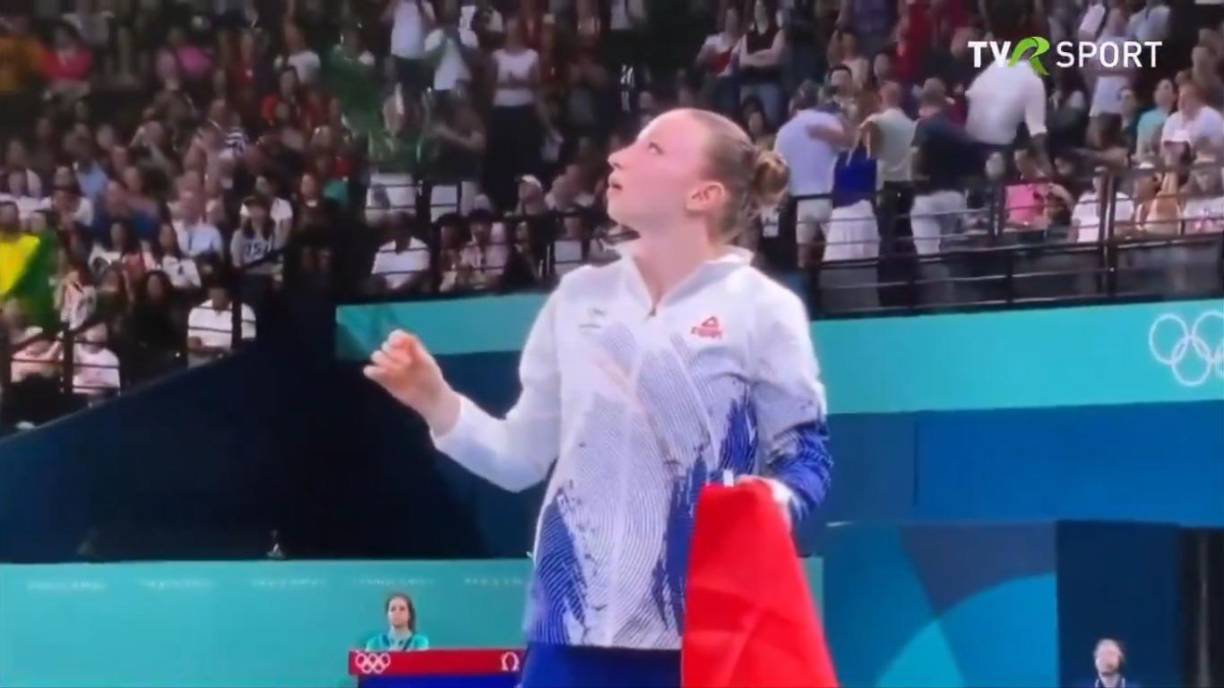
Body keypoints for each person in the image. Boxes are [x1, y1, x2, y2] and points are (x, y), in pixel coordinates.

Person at [364, 108, 832, 686]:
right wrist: (436, 402)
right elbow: (518, 459)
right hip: (569, 632)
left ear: (702, 195)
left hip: (701, 638)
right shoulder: (579, 298)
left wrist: (764, 505)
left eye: (653, 149)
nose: (618, 157)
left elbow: (806, 459)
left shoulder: (764, 310)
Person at [365, 593, 430, 651]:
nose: (397, 612)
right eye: (392, 609)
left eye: (402, 609)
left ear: (409, 614)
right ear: (387, 614)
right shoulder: (374, 643)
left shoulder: (420, 642)